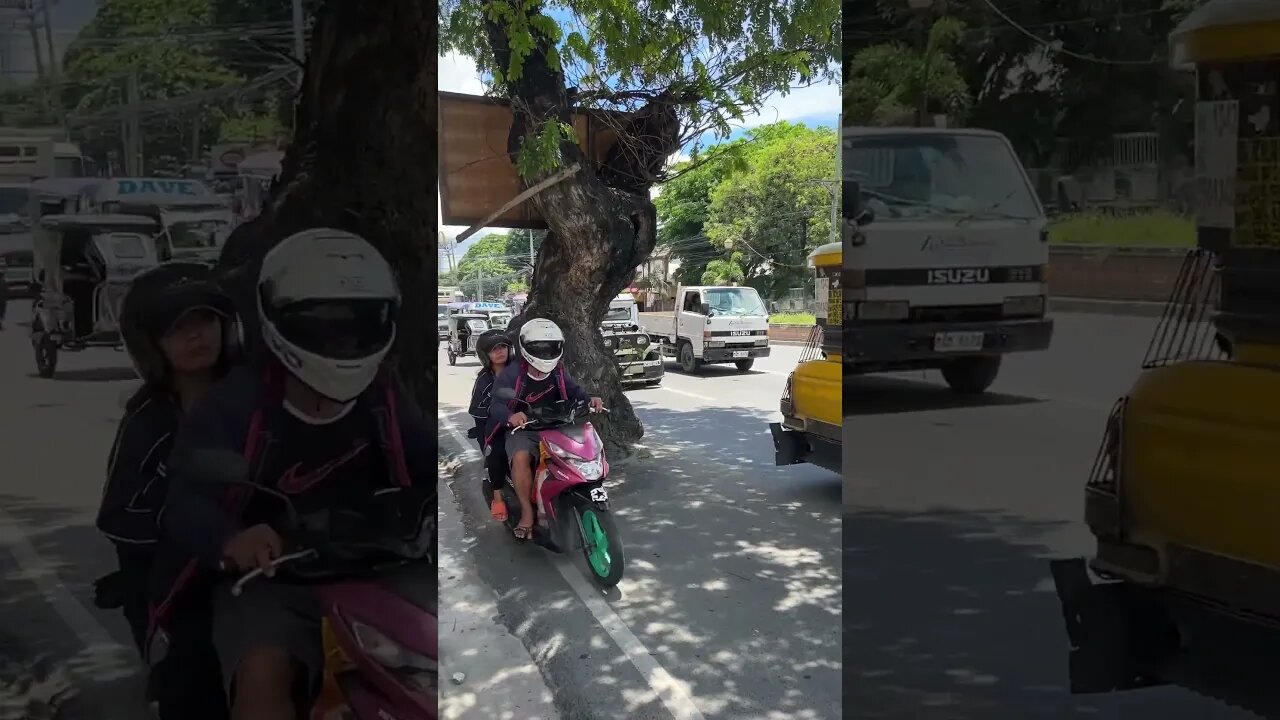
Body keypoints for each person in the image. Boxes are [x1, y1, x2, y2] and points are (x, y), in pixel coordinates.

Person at [150, 228, 432, 720]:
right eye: (322, 325)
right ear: (277, 319)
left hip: (386, 566)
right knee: (263, 678)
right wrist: (229, 538)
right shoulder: (235, 404)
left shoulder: (384, 396)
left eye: (358, 325)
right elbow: (185, 499)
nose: (341, 340)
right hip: (273, 581)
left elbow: (429, 462)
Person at [95, 261, 241, 719]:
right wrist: (193, 536)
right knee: (192, 686)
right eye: (178, 327)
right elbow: (121, 515)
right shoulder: (150, 421)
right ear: (151, 343)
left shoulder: (252, 399)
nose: (196, 335)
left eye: (203, 320)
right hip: (177, 588)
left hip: (257, 571)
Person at [485, 318, 603, 540]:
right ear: (526, 348)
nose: (546, 352)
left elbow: (575, 390)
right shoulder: (512, 374)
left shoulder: (558, 371)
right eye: (539, 348)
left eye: (550, 347)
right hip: (524, 429)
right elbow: (496, 405)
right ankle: (528, 513)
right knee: (520, 458)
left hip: (558, 424)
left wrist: (589, 400)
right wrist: (511, 416)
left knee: (580, 454)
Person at [468, 329, 513, 520]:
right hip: (496, 428)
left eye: (502, 346)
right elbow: (478, 413)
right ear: (485, 355)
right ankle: (497, 496)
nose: (499, 352)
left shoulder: (520, 371)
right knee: (497, 452)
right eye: (494, 349)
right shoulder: (485, 381)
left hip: (525, 423)